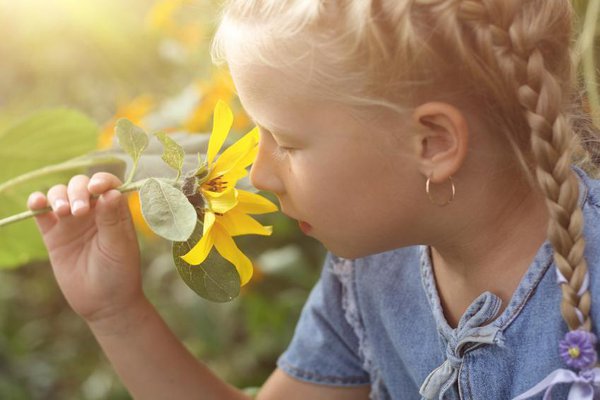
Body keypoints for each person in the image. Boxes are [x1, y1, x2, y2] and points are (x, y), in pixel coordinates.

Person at [26, 0, 600, 398]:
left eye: (287, 143)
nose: (258, 174)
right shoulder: (371, 271)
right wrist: (116, 313)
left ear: (433, 143)